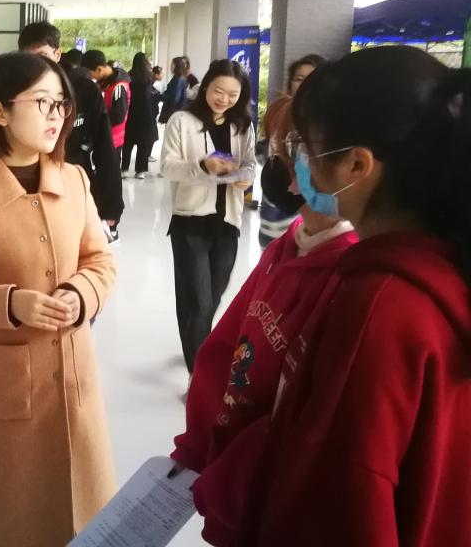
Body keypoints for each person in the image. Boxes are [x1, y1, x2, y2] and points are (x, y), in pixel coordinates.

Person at [238, 46, 471, 546]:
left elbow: (347, 503)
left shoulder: (378, 307)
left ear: (357, 165)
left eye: (306, 145)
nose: (295, 165)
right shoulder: (443, 272)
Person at [0, 52, 117, 547]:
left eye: (61, 104)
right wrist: (10, 305)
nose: (57, 115)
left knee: (81, 512)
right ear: (0, 112)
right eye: (42, 102)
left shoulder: (74, 180)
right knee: (8, 518)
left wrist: (80, 293)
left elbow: (100, 261)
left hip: (72, 376)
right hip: (4, 389)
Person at [169, 97, 357, 547]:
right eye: (282, 150)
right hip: (232, 492)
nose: (287, 169)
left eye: (298, 150)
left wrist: (226, 481)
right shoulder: (288, 246)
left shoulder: (352, 277)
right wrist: (197, 447)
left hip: (269, 505)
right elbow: (225, 350)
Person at [160, 59, 256, 373]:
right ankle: (199, 372)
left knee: (212, 296)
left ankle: (194, 339)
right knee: (198, 300)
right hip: (190, 221)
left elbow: (250, 163)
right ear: (205, 88)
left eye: (233, 94)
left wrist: (246, 177)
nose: (224, 99)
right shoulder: (181, 121)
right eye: (218, 91)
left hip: (227, 221)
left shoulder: (242, 125)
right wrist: (203, 165)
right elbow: (167, 167)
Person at [18, 23, 123, 246]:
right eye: (28, 58)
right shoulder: (16, 90)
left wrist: (111, 206)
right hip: (28, 186)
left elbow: (105, 149)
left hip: (74, 182)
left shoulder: (84, 89)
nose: (36, 65)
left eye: (43, 56)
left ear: (57, 54)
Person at [258, 54, 328, 248]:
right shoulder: (278, 113)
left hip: (312, 221)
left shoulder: (329, 123)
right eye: (299, 79)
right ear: (290, 84)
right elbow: (266, 154)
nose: (306, 85)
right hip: (274, 216)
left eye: (313, 78)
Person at [83, 50, 131, 170]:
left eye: (90, 73)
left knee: (109, 172)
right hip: (104, 136)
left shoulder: (118, 86)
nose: (90, 77)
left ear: (99, 69)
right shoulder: (105, 82)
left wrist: (97, 120)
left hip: (112, 139)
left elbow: (119, 116)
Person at [123, 52, 159, 180]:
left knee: (128, 143)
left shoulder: (129, 76)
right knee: (144, 144)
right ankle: (140, 171)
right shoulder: (149, 77)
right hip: (146, 114)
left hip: (131, 113)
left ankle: (124, 169)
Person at [158, 57, 190, 123]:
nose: (170, 66)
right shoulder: (178, 77)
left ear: (177, 66)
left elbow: (175, 98)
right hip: (175, 112)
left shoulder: (178, 79)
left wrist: (161, 96)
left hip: (174, 112)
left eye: (172, 64)